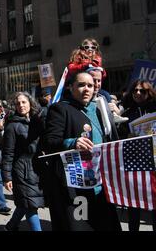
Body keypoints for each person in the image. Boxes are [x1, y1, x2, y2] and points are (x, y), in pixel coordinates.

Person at [42, 71, 121, 231]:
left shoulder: (99, 109)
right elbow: (49, 142)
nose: (87, 89)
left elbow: (111, 137)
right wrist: (72, 142)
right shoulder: (60, 108)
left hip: (101, 183)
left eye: (90, 85)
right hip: (76, 186)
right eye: (81, 85)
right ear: (71, 87)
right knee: (81, 226)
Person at [2, 92, 45, 231]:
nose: (21, 105)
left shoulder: (37, 121)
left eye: (24, 102)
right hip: (21, 171)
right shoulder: (12, 126)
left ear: (30, 103)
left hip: (36, 169)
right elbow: (8, 153)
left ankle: (10, 226)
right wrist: (7, 177)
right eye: (18, 103)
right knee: (30, 205)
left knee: (24, 203)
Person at [119, 79, 156, 231]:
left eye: (143, 91)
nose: (138, 93)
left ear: (150, 93)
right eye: (135, 90)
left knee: (154, 201)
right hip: (135, 161)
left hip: (154, 161)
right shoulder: (127, 114)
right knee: (134, 202)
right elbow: (119, 136)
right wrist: (127, 135)